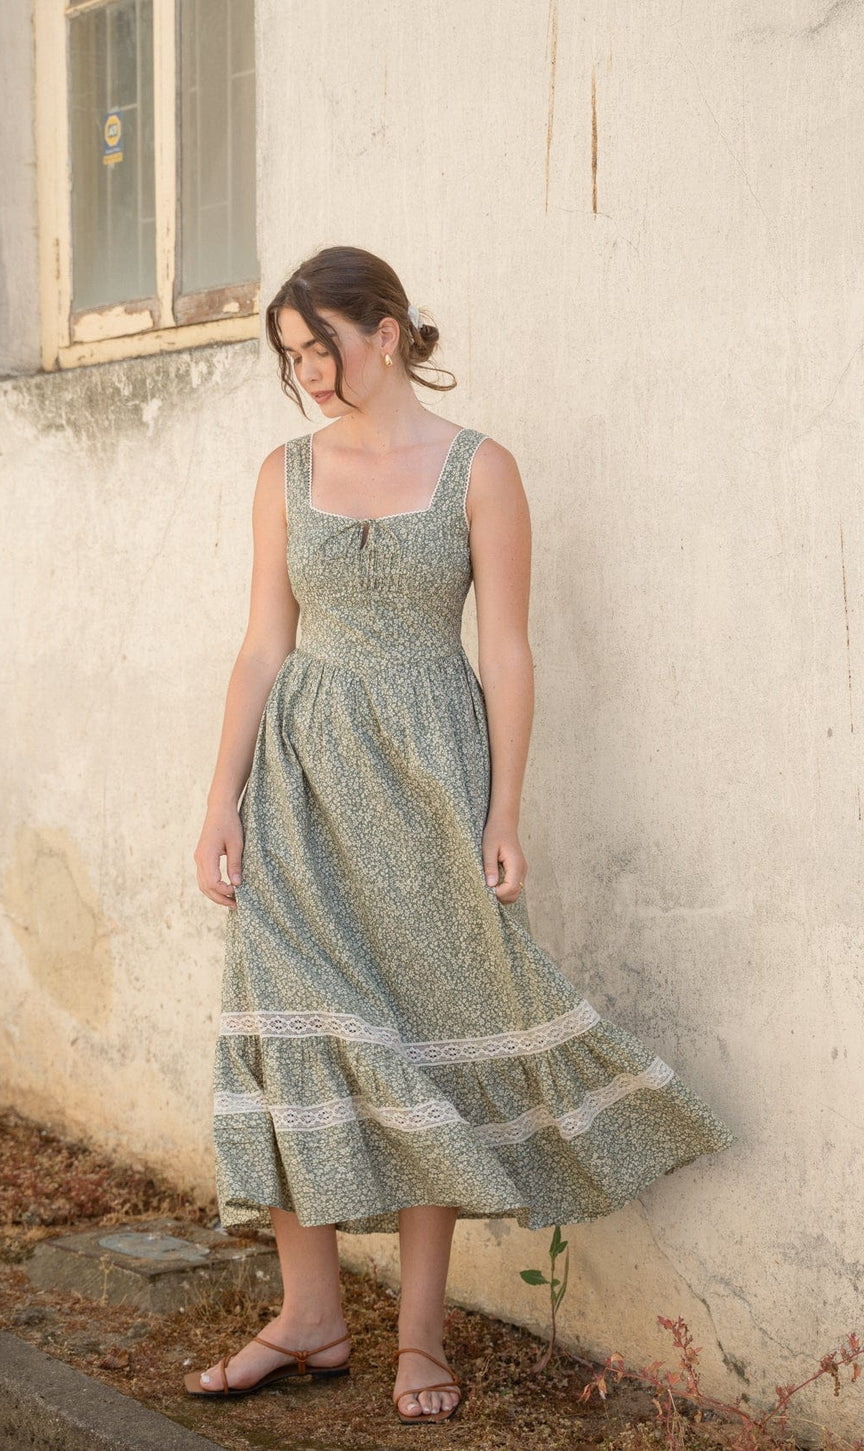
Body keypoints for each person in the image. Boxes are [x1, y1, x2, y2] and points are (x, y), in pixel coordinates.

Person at [188, 245, 736, 1426]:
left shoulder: (481, 467)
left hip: (430, 773)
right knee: (293, 1027)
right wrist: (220, 796)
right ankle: (309, 1313)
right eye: (289, 357)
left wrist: (504, 809)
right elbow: (262, 643)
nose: (307, 374)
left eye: (320, 348)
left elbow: (506, 649)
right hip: (299, 775)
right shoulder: (284, 472)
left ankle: (419, 1334)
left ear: (385, 332)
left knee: (423, 1029)